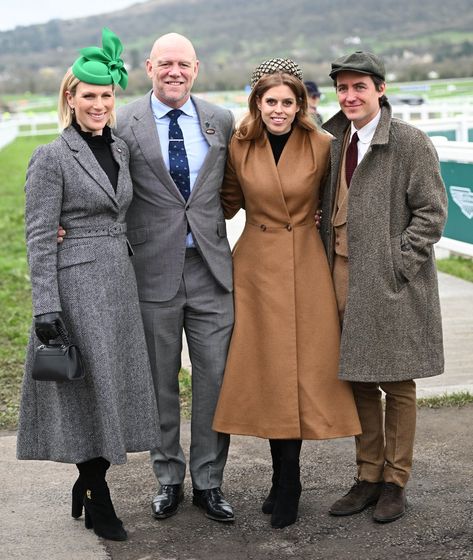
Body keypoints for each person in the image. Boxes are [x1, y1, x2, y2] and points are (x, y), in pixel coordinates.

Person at [16, 28, 161, 541]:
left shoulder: (120, 149)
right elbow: (38, 236)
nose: (98, 104)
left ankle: (86, 483)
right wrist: (46, 306)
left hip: (118, 283)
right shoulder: (52, 157)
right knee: (85, 394)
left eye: (106, 95)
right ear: (70, 99)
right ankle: (100, 496)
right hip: (76, 289)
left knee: (108, 393)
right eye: (89, 96)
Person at [212, 58, 361, 529]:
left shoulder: (322, 144)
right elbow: (223, 202)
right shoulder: (239, 143)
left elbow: (339, 201)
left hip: (304, 264)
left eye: (287, 102)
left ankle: (289, 481)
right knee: (269, 372)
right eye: (270, 101)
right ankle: (281, 480)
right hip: (255, 266)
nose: (278, 110)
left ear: (300, 105)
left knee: (301, 371)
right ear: (257, 103)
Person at [320, 51, 447, 523]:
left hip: (390, 279)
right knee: (357, 379)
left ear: (380, 89)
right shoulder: (331, 141)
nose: (350, 96)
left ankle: (395, 481)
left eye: (359, 87)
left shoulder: (411, 143)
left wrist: (400, 262)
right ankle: (367, 476)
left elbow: (432, 214)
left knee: (397, 382)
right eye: (343, 88)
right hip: (340, 274)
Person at [115, 33, 235, 523]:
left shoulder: (221, 119)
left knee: (215, 381)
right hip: (151, 272)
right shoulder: (124, 122)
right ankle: (168, 478)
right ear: (148, 67)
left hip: (210, 271)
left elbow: (237, 183)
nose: (174, 72)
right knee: (159, 383)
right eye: (165, 63)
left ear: (196, 68)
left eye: (183, 64)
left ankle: (209, 481)